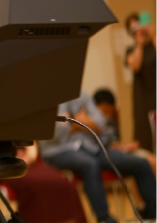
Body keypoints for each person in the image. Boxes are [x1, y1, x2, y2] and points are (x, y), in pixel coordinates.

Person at [40, 92, 157, 223]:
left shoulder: (83, 97)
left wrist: (72, 122)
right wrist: (81, 121)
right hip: (59, 150)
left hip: (92, 148)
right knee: (90, 165)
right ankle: (104, 218)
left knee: (140, 163)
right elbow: (51, 132)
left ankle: (153, 213)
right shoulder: (47, 100)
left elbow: (101, 124)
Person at [93, 87, 157, 177]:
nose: (106, 115)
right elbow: (102, 146)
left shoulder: (112, 121)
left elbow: (115, 141)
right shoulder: (92, 124)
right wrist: (122, 147)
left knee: (153, 159)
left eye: (109, 112)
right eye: (103, 111)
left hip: (121, 150)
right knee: (145, 163)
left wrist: (126, 145)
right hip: (111, 153)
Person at [125, 11, 157, 150]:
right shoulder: (131, 50)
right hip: (143, 99)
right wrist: (139, 43)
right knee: (146, 137)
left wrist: (153, 35)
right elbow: (135, 65)